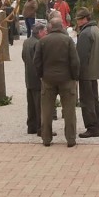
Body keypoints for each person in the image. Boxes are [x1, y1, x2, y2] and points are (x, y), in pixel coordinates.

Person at [33, 17, 80, 147]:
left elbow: (36, 61)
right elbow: (75, 61)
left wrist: (41, 75)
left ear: (50, 27)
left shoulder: (42, 41)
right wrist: (75, 77)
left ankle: (46, 138)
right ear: (61, 27)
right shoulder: (68, 40)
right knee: (69, 111)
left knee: (47, 111)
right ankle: (71, 139)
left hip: (48, 79)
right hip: (66, 79)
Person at [75, 8, 99, 138]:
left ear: (85, 19)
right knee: (94, 99)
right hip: (95, 70)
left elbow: (81, 56)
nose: (78, 22)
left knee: (86, 101)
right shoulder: (97, 30)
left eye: (79, 19)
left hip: (86, 72)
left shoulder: (85, 33)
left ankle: (92, 128)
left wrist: (76, 73)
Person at [21, 21, 48, 135]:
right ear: (40, 32)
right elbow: (40, 60)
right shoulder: (38, 43)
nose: (46, 33)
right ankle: (41, 128)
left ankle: (31, 126)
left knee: (31, 104)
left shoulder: (26, 42)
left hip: (28, 76)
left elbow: (23, 57)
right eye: (45, 32)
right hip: (37, 77)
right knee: (39, 104)